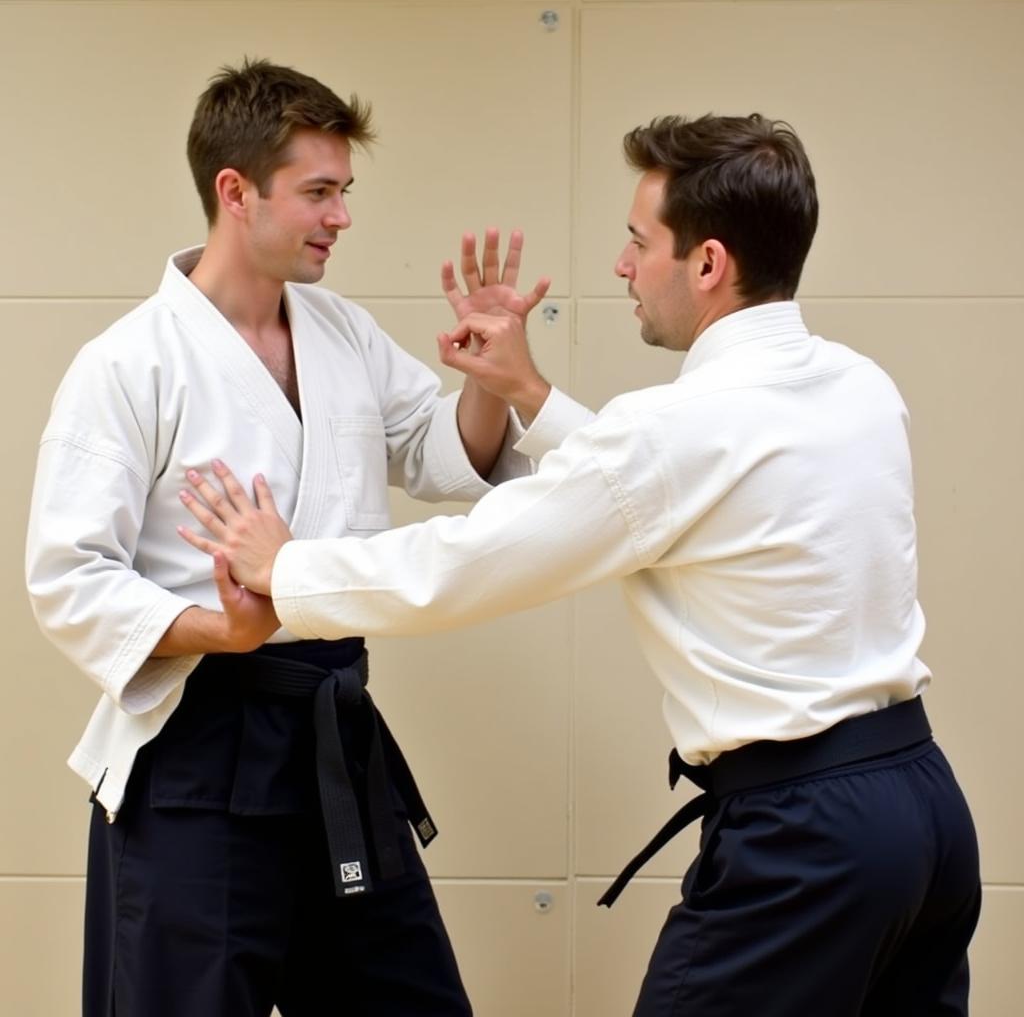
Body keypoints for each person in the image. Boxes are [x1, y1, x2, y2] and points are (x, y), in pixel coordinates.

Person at [179, 113, 982, 1016]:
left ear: (709, 264)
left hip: (808, 844)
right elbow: (686, 484)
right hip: (927, 817)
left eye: (640, 243)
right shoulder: (858, 385)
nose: (621, 266)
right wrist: (525, 392)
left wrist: (288, 568)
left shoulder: (674, 432)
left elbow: (472, 562)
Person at [25, 58, 551, 1017]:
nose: (341, 218)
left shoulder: (340, 331)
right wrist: (215, 629)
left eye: (343, 193)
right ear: (235, 192)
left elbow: (438, 452)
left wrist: (488, 374)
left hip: (330, 732)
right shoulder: (128, 364)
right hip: (197, 738)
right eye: (318, 192)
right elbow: (67, 576)